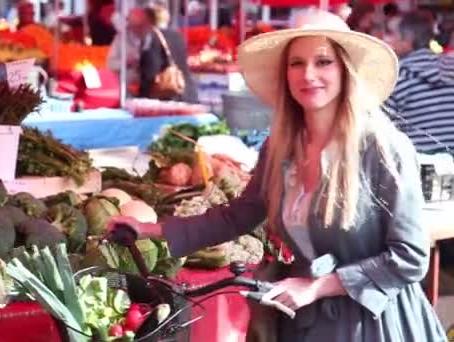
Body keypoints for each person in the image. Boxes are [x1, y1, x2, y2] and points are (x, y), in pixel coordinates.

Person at [109, 9, 447, 342]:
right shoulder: (282, 145)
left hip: (375, 323)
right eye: (296, 63)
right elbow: (237, 216)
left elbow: (410, 258)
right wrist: (150, 230)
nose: (308, 74)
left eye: (323, 61)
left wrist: (317, 286)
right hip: (306, 322)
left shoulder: (383, 147)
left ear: (346, 69)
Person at [383, 10, 454, 154]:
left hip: (420, 166)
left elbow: (379, 126)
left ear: (408, 40)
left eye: (390, 33)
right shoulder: (449, 68)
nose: (385, 38)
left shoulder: (398, 78)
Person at [138, 5, 198, 103]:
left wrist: (143, 91)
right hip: (184, 90)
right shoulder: (178, 35)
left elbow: (151, 67)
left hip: (166, 94)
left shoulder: (151, 37)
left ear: (149, 19)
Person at [106, 8, 151, 93]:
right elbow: (110, 64)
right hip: (127, 88)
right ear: (130, 25)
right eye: (137, 26)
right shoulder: (120, 40)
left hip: (149, 86)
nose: (140, 29)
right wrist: (126, 62)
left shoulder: (152, 38)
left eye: (142, 25)